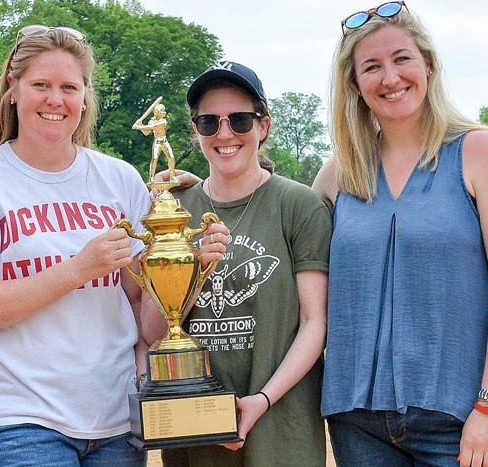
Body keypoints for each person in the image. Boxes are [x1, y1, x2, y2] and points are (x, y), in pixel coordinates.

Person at [0, 25, 170, 466]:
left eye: (69, 87)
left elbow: (149, 323)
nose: (55, 99)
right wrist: (78, 268)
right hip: (20, 422)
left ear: (85, 97)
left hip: (117, 423)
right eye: (40, 85)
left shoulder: (118, 178)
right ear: (13, 89)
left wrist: (190, 270)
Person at [312, 2, 488, 466]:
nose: (390, 77)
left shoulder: (476, 152)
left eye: (402, 59)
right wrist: (200, 192)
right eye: (371, 67)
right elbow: (287, 252)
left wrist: (487, 406)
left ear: (428, 64)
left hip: (459, 415)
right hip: (356, 420)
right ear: (354, 84)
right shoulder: (337, 175)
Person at [142, 60, 332, 467]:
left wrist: (262, 400)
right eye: (209, 122)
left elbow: (315, 322)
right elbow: (154, 330)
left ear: (263, 126)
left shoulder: (299, 205)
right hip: (195, 428)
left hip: (281, 428)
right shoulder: (174, 212)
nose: (225, 134)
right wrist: (192, 274)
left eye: (240, 120)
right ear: (195, 131)